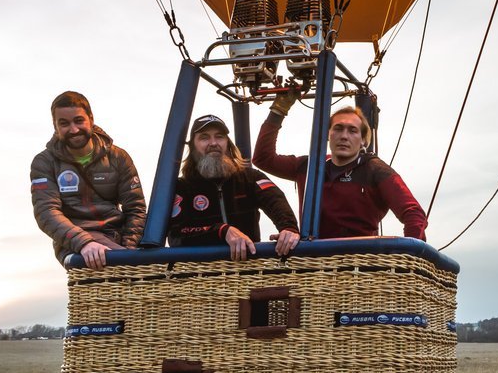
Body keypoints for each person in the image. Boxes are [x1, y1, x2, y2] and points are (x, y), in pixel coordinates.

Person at [254, 91, 427, 240]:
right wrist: (279, 109)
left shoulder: (374, 169)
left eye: (352, 131)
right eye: (338, 129)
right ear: (328, 135)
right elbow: (263, 158)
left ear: (363, 141)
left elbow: (413, 213)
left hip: (360, 265)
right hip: (314, 264)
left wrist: (410, 257)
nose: (344, 136)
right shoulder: (310, 166)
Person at [30, 90, 146, 268]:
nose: (74, 130)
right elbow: (46, 212)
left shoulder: (118, 157)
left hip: (117, 237)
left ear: (90, 119)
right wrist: (83, 242)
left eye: (79, 121)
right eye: (64, 123)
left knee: (158, 262)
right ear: (55, 126)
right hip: (74, 242)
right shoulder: (44, 162)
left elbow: (136, 208)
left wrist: (128, 249)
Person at [169, 114, 300, 260]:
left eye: (219, 136)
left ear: (228, 144)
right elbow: (176, 235)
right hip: (199, 276)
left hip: (247, 272)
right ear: (193, 147)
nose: (213, 143)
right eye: (204, 137)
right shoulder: (182, 187)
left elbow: (276, 201)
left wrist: (288, 229)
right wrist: (222, 231)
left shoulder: (250, 178)